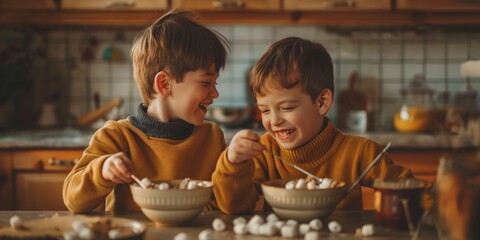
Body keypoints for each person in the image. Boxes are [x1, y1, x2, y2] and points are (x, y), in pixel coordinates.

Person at [212, 37, 414, 214]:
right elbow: (235, 207)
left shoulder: (361, 153)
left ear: (322, 102)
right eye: (265, 110)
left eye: (287, 107)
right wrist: (234, 162)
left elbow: (413, 194)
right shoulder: (263, 154)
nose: (274, 121)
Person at [63, 10, 230, 213]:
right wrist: (103, 170)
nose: (215, 93)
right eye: (206, 83)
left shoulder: (212, 138)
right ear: (164, 83)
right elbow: (73, 200)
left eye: (215, 83)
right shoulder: (116, 136)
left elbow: (225, 203)